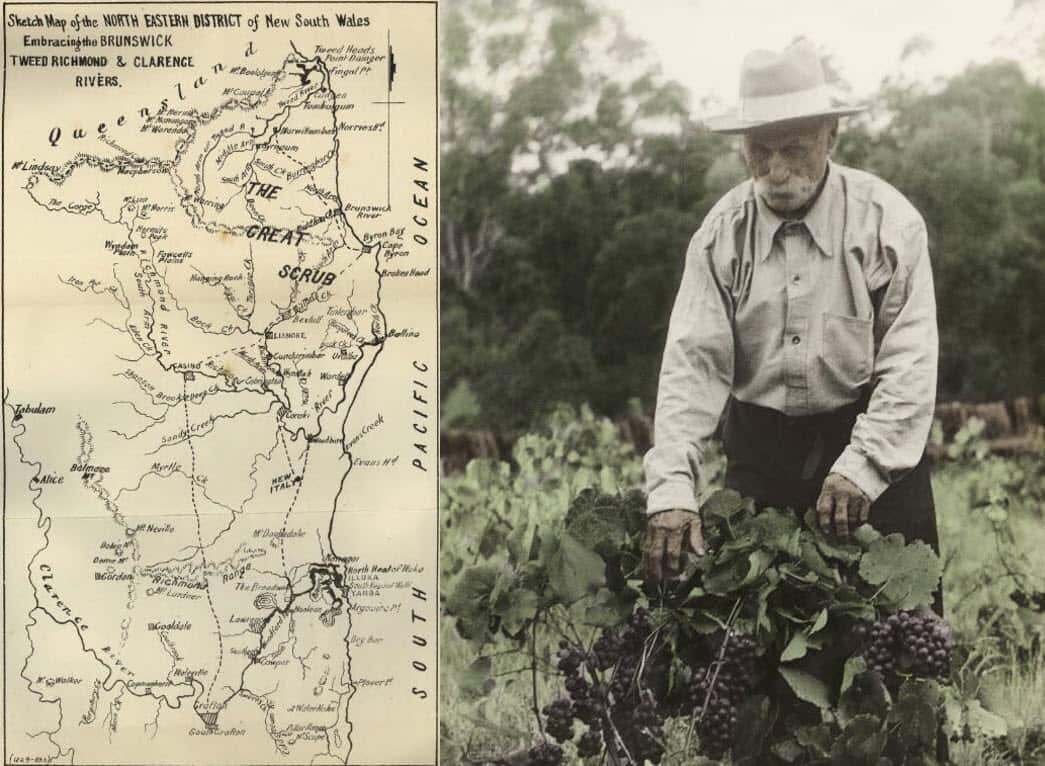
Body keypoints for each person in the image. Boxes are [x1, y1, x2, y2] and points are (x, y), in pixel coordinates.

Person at [641, 38, 943, 615]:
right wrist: (673, 490)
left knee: (902, 632)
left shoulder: (888, 224)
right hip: (762, 451)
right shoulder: (720, 237)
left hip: (873, 437)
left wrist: (863, 468)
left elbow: (910, 362)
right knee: (757, 632)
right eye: (760, 152)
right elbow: (692, 367)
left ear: (832, 136)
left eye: (796, 150)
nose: (776, 172)